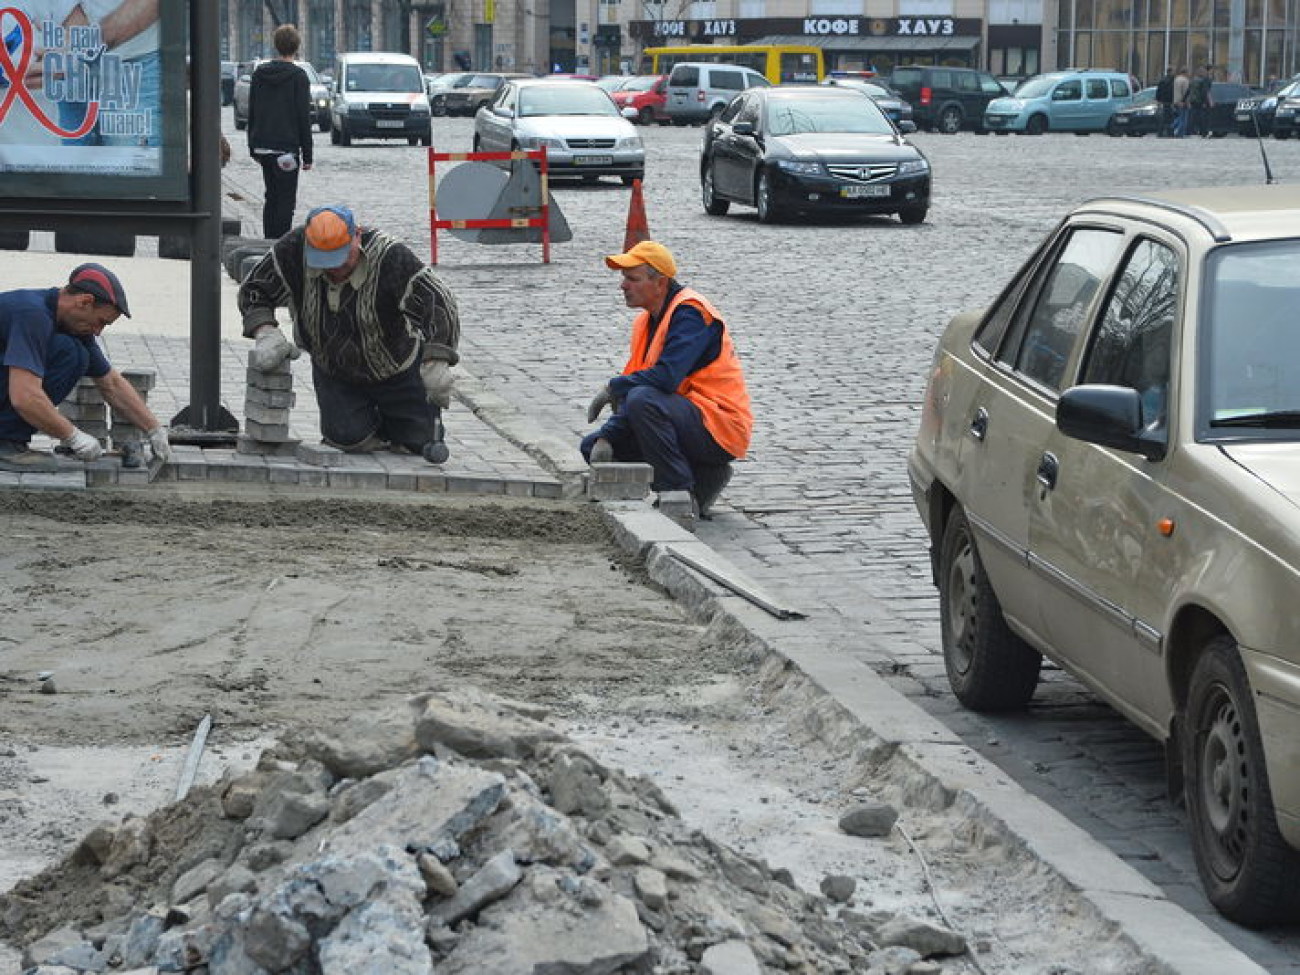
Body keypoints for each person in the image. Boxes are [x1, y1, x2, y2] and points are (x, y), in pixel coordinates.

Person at [237, 205, 460, 464]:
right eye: (325, 261)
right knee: (347, 440)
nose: (335, 269)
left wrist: (437, 362)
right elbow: (254, 289)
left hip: (397, 368)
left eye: (342, 258)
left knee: (418, 442)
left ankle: (396, 421)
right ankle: (364, 423)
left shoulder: (390, 256)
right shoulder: (293, 249)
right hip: (335, 372)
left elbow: (438, 301)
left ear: (357, 235)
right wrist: (265, 331)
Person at [581, 240, 751, 520]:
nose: (623, 286)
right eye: (624, 278)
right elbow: (638, 384)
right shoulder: (645, 322)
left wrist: (613, 387)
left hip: (720, 426)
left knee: (641, 400)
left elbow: (665, 379)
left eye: (632, 279)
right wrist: (607, 435)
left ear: (660, 283)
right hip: (681, 419)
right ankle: (704, 473)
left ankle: (679, 495)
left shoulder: (691, 313)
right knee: (593, 446)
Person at [0, 263, 170, 472]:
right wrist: (72, 436)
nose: (98, 332)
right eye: (100, 322)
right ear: (84, 302)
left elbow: (111, 384)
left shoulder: (70, 324)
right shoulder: (32, 314)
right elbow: (24, 396)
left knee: (79, 354)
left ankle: (8, 441)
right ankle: (5, 444)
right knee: (68, 351)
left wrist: (153, 429)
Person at [248, 24, 314, 239]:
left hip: (263, 146)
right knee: (286, 200)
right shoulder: (298, 77)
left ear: (276, 46)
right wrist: (308, 155)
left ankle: (268, 241)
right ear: (296, 47)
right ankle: (280, 244)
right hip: (286, 149)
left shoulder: (259, 74)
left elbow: (252, 111)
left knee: (271, 197)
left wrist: (253, 146)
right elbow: (303, 117)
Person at [1188, 64, 1214, 137]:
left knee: (1196, 116)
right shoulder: (1206, 79)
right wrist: (1209, 101)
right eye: (1211, 70)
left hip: (1196, 101)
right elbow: (1206, 91)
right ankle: (1203, 131)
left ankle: (1197, 130)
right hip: (1202, 101)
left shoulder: (1198, 80)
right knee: (1203, 117)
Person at [1154, 65, 1175, 137]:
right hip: (1169, 101)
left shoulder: (1162, 80)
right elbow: (1171, 92)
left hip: (1163, 101)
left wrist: (1158, 100)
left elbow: (1158, 91)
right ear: (1170, 72)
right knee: (1169, 118)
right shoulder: (1172, 81)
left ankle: (1160, 132)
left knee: (1162, 118)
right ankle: (1169, 133)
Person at [1171, 66, 1191, 137]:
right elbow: (1186, 92)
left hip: (1176, 101)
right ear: (1185, 72)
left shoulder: (1176, 79)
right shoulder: (1185, 80)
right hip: (1182, 102)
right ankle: (1180, 133)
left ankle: (1171, 127)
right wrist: (1187, 103)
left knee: (1179, 117)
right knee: (1183, 119)